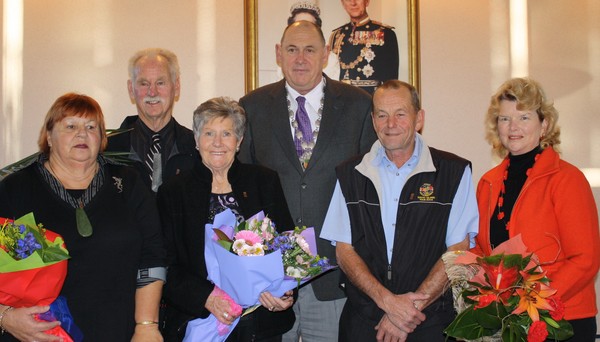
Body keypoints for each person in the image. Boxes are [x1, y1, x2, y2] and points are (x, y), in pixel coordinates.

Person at [239, 20, 377, 342]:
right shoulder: (252, 107)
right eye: (292, 49)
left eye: (310, 50)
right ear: (278, 54)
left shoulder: (359, 106)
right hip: (269, 283)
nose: (300, 58)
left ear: (326, 54)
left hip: (334, 277)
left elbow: (369, 193)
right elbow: (242, 189)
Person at [320, 80, 479, 341]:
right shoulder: (350, 173)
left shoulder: (454, 172)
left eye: (400, 114)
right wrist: (387, 303)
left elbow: (458, 250)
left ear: (419, 119)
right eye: (382, 115)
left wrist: (408, 311)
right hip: (364, 321)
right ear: (373, 121)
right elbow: (344, 251)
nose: (390, 124)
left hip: (430, 322)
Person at [0, 93, 166, 342]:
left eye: (91, 127)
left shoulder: (129, 183)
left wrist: (146, 326)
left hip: (119, 332)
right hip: (39, 334)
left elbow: (153, 256)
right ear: (48, 136)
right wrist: (5, 317)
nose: (82, 134)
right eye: (70, 126)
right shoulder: (16, 188)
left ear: (101, 138)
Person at [157, 97, 296, 342]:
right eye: (209, 133)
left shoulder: (264, 181)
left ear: (239, 141)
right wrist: (206, 297)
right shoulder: (173, 191)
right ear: (197, 140)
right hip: (200, 319)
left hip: (260, 321)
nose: (218, 143)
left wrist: (284, 291)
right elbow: (165, 264)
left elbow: (288, 245)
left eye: (227, 134)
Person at [472, 77, 600, 341]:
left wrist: (533, 302)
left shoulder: (567, 179)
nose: (513, 127)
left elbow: (585, 260)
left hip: (562, 321)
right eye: (505, 119)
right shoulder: (488, 182)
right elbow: (485, 250)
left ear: (544, 125)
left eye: (524, 117)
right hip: (509, 322)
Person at [106, 48, 199, 193]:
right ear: (131, 89)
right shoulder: (107, 151)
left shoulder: (198, 149)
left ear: (177, 87)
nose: (152, 92)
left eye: (160, 83)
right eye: (144, 83)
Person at [330, 0, 399, 94]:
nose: (353, 3)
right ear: (343, 3)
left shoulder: (385, 33)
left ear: (367, 1)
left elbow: (391, 82)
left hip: (370, 100)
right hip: (343, 101)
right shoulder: (337, 35)